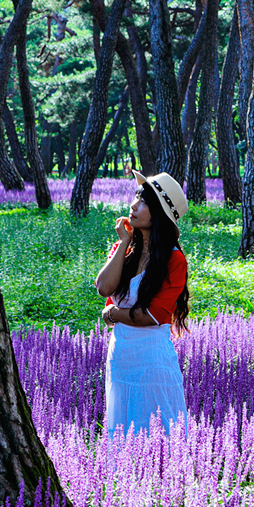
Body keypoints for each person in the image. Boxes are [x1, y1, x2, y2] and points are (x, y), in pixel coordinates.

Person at [95, 169, 190, 438]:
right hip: (121, 357)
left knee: (158, 434)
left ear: (159, 212)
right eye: (136, 198)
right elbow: (104, 287)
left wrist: (113, 313)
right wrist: (124, 242)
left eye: (144, 201)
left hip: (152, 361)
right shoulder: (124, 249)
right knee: (123, 431)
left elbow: (155, 315)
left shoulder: (174, 260)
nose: (134, 206)